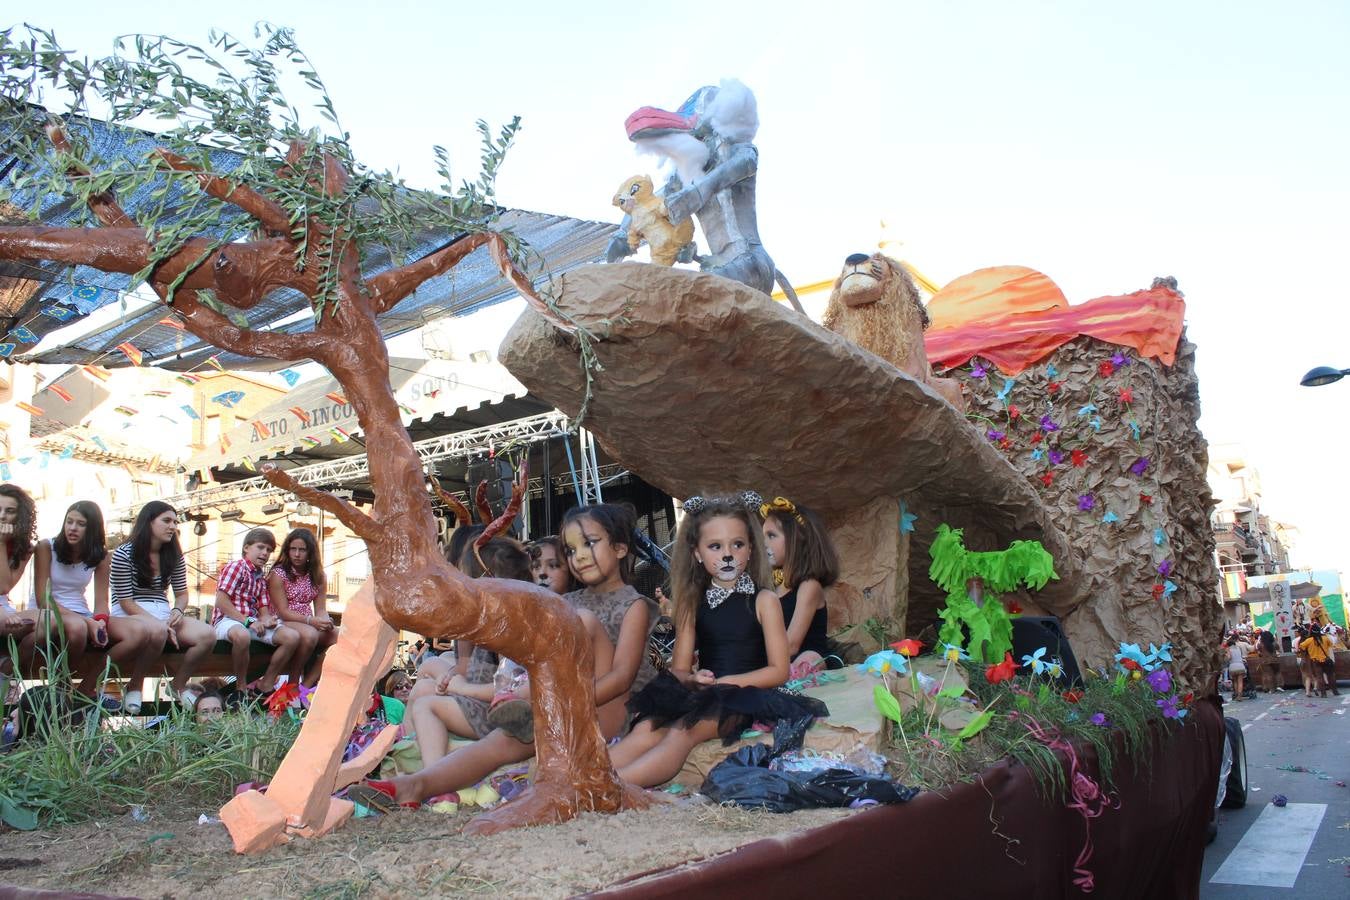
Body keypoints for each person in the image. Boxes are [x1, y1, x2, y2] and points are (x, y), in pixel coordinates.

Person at [351, 506, 655, 811]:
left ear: (619, 548)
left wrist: (559, 701)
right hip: (562, 702)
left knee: (579, 621)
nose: (580, 556)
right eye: (571, 550)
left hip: (605, 704)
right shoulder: (568, 600)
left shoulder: (633, 605)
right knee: (503, 741)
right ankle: (416, 785)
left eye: (589, 544)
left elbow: (620, 679)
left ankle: (524, 699)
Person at [608, 492, 827, 788]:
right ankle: (583, 779)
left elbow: (779, 671)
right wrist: (693, 679)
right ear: (697, 553)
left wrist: (729, 683)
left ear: (751, 549)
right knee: (646, 728)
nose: (727, 554)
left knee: (682, 732)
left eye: (737, 544)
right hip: (703, 692)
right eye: (715, 546)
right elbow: (680, 668)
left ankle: (611, 788)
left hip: (746, 695)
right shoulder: (691, 602)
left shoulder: (764, 600)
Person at [32, 501, 162, 701]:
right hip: (50, 612)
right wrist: (88, 622)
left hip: (82, 615)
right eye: (69, 522)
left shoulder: (100, 556)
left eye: (81, 524)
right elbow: (43, 599)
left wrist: (100, 620)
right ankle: (62, 686)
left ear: (92, 528)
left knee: (138, 633)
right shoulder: (46, 547)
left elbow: (101, 601)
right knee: (77, 629)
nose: (72, 528)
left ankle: (86, 686)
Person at [109, 501, 215, 711]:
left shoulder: (174, 555)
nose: (173, 526)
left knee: (208, 635)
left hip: (163, 610)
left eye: (175, 522)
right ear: (148, 522)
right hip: (131, 612)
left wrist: (177, 611)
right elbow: (126, 601)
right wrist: (158, 624)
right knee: (157, 631)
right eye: (166, 521)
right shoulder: (123, 553)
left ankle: (178, 684)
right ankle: (135, 685)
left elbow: (182, 594)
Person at [212, 527, 302, 694]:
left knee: (292, 637)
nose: (265, 553)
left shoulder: (260, 577)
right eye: (260, 547)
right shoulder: (236, 567)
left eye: (269, 550)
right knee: (242, 635)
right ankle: (240, 688)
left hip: (251, 623)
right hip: (228, 620)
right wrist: (247, 621)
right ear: (246, 548)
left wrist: (268, 619)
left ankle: (266, 683)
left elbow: (263, 610)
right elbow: (221, 602)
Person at [759, 496, 841, 669]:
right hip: (777, 662)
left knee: (808, 658)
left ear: (797, 539)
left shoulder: (809, 586)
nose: (763, 543)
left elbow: (791, 645)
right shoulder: (771, 587)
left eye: (771, 535)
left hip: (801, 661)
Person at [267, 528, 336, 686]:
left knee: (340, 638)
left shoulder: (319, 576)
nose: (297, 554)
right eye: (293, 549)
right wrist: (311, 621)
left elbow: (321, 609)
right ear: (287, 550)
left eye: (302, 550)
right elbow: (282, 612)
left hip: (309, 622)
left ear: (311, 552)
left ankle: (308, 683)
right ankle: (292, 684)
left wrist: (325, 621)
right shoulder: (278, 574)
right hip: (282, 621)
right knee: (310, 635)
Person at [0, 485, 44, 678]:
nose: (2, 516)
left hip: (3, 606)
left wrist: (1, 543)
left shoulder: (24, 548)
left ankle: (7, 670)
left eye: (9, 511)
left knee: (48, 621)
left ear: (20, 516)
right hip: (2, 610)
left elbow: (4, 587)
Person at [1299, 625, 1337, 697]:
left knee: (1320, 677)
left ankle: (1323, 694)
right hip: (1326, 660)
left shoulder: (1309, 640)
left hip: (1315, 661)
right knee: (1331, 676)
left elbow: (1301, 647)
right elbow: (1331, 645)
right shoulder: (1325, 638)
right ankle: (1335, 691)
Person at [1223, 632, 1251, 701]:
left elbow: (1229, 657)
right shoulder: (1238, 649)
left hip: (1232, 667)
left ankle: (1235, 695)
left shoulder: (1228, 649)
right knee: (1240, 681)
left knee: (1235, 681)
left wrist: (1225, 657)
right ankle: (1240, 696)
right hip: (1240, 666)